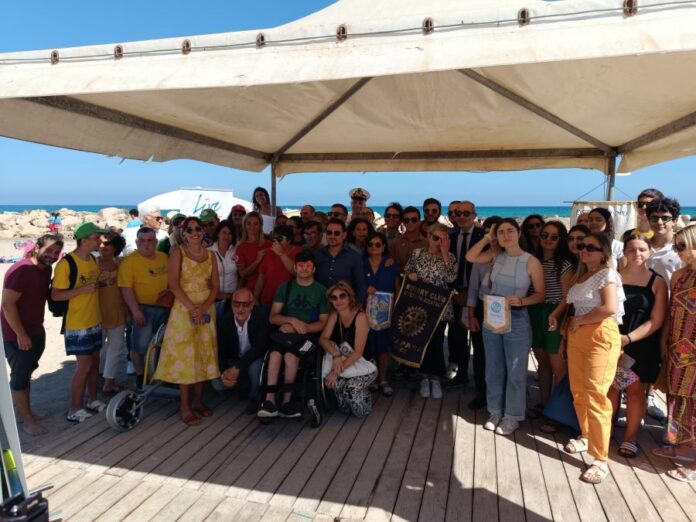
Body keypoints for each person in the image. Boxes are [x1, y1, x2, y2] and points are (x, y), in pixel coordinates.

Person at [466, 218, 545, 435]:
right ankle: (495, 411)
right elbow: (470, 256)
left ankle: (512, 416)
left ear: (519, 233)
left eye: (510, 231)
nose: (506, 235)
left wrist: (522, 301)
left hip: (517, 317)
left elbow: (540, 294)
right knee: (493, 367)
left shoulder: (531, 261)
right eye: (501, 232)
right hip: (493, 316)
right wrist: (486, 237)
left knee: (515, 370)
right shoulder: (495, 256)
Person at [563, 232, 625, 484]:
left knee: (597, 394)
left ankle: (600, 458)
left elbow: (609, 308)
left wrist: (579, 320)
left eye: (591, 247)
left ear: (604, 253)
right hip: (578, 334)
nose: (584, 250)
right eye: (581, 246)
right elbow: (575, 305)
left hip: (600, 334)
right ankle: (587, 436)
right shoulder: (580, 276)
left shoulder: (607, 274)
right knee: (578, 390)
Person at [153, 217, 220, 426]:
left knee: (203, 354)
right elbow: (173, 285)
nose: (194, 232)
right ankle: (185, 406)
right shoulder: (178, 253)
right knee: (186, 358)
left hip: (205, 308)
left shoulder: (211, 256)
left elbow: (215, 287)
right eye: (189, 229)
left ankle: (198, 401)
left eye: (198, 228)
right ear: (183, 233)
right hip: (184, 309)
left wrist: (203, 307)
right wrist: (193, 309)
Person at [607, 234, 667, 458]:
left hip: (641, 343)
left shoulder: (657, 281)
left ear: (649, 251)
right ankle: (605, 431)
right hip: (612, 340)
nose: (636, 254)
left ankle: (630, 437)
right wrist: (615, 340)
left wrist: (628, 339)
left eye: (641, 249)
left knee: (635, 390)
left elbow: (657, 320)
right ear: (624, 252)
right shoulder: (613, 276)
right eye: (631, 249)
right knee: (610, 388)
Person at [2, 234, 64, 435]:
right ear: (37, 247)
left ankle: (24, 413)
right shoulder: (21, 270)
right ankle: (27, 422)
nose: (53, 256)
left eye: (56, 252)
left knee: (27, 371)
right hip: (17, 333)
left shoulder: (45, 270)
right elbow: (7, 304)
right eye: (49, 251)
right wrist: (21, 334)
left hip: (36, 328)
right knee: (19, 377)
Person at [259, 251, 329, 418]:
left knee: (291, 357)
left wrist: (300, 327)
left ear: (314, 269)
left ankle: (287, 402)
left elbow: (322, 322)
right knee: (275, 355)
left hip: (309, 337)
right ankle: (269, 401)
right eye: (300, 265)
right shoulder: (286, 286)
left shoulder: (321, 291)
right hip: (285, 333)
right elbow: (273, 316)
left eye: (308, 265)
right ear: (295, 268)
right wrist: (292, 321)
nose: (304, 269)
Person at [52, 222, 108, 422]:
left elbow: (90, 284)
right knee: (83, 367)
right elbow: (56, 295)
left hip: (95, 320)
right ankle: (74, 409)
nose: (100, 242)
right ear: (84, 240)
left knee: (94, 364)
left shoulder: (93, 260)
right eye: (96, 238)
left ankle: (92, 400)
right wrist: (83, 290)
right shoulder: (67, 263)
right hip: (77, 324)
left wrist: (102, 283)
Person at [652, 224, 696, 482]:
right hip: (678, 346)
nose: (678, 252)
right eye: (675, 247)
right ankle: (682, 445)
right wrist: (663, 343)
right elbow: (670, 312)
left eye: (682, 246)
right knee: (677, 396)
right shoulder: (678, 275)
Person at [405, 223, 457, 399]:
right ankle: (425, 378)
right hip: (420, 306)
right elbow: (407, 271)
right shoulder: (417, 254)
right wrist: (410, 275)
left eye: (443, 239)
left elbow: (451, 278)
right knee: (422, 341)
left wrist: (444, 253)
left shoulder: (450, 257)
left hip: (440, 308)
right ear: (428, 236)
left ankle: (436, 378)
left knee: (436, 342)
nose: (438, 242)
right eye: (435, 238)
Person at [644, 197, 684, 420]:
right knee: (644, 358)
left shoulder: (680, 248)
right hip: (644, 312)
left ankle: (673, 419)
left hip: (673, 314)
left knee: (668, 361)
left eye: (665, 218)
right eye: (654, 218)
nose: (659, 222)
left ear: (674, 220)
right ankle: (644, 397)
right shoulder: (642, 246)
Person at [529, 221, 573, 415]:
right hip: (535, 312)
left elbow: (567, 296)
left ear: (560, 240)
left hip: (555, 313)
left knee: (558, 366)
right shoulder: (534, 260)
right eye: (544, 235)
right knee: (542, 362)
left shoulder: (563, 264)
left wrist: (555, 315)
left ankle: (559, 411)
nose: (548, 239)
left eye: (554, 237)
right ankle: (545, 404)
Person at [118, 227, 170, 390]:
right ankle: (141, 377)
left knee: (161, 345)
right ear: (136, 242)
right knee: (139, 348)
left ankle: (159, 376)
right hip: (143, 309)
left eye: (150, 240)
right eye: (142, 241)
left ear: (156, 242)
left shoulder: (163, 257)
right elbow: (126, 288)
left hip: (164, 308)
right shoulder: (129, 262)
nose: (146, 244)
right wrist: (135, 311)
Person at [320, 281, 377, 417]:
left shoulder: (360, 317)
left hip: (365, 364)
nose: (338, 300)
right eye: (334, 298)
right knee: (341, 399)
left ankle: (366, 394)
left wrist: (335, 372)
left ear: (350, 297)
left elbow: (358, 353)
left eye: (342, 296)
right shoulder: (335, 315)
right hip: (344, 361)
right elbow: (322, 339)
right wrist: (336, 354)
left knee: (351, 394)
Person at [446, 200, 484, 388]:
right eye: (457, 213)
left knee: (479, 341)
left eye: (465, 213)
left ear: (474, 215)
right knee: (457, 338)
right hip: (455, 294)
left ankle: (480, 381)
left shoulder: (483, 237)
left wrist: (470, 292)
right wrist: (455, 292)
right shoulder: (450, 237)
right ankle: (461, 374)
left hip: (478, 296)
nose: (461, 216)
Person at [466, 216, 503, 410]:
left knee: (501, 355)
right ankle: (482, 393)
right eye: (490, 232)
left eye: (498, 232)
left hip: (506, 308)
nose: (494, 236)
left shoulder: (514, 256)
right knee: (480, 353)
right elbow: (473, 288)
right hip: (483, 306)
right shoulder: (482, 257)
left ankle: (501, 394)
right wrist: (471, 315)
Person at [216, 288, 269, 414]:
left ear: (252, 305)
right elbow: (221, 350)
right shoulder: (225, 320)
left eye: (245, 304)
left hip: (253, 358)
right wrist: (225, 372)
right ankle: (241, 386)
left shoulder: (261, 317)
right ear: (232, 304)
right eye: (236, 304)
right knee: (217, 384)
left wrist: (237, 368)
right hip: (234, 359)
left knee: (255, 368)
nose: (240, 309)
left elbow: (259, 348)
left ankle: (254, 398)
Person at [364, 231, 400, 396]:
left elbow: (397, 289)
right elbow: (355, 285)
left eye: (378, 244)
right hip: (365, 313)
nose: (374, 247)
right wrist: (365, 290)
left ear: (384, 247)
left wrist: (396, 310)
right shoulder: (361, 264)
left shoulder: (391, 265)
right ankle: (370, 379)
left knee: (383, 348)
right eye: (370, 244)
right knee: (367, 347)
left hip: (386, 313)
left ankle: (383, 380)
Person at [97, 233, 128, 396]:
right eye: (100, 243)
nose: (102, 247)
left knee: (116, 347)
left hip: (117, 310)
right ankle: (98, 377)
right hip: (95, 312)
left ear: (115, 246)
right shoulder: (92, 263)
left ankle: (109, 381)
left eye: (106, 244)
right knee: (98, 348)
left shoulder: (122, 263)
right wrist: (102, 283)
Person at [314, 219, 367, 303]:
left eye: (337, 233)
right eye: (329, 233)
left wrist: (357, 307)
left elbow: (360, 286)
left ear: (344, 235)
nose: (332, 236)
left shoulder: (354, 257)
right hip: (320, 305)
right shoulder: (317, 255)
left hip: (345, 306)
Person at [254, 225, 302, 308]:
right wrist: (255, 298)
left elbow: (297, 272)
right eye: (274, 239)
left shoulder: (298, 251)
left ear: (289, 240)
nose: (276, 242)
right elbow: (261, 276)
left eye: (279, 239)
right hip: (268, 300)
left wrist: (281, 254)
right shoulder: (269, 252)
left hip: (289, 302)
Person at [209, 220, 239, 318]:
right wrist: (218, 294)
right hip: (213, 299)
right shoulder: (208, 252)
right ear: (218, 233)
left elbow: (242, 274)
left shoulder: (236, 251)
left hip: (233, 300)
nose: (227, 236)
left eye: (230, 233)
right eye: (224, 233)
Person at [236, 211, 272, 293]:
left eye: (256, 224)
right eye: (249, 223)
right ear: (244, 226)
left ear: (260, 226)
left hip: (269, 289)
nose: (252, 227)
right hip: (250, 291)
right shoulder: (241, 248)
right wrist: (257, 261)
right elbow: (242, 274)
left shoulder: (270, 245)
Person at [390, 206, 428, 272]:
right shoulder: (394, 244)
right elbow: (391, 267)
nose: (410, 222)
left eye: (413, 220)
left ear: (419, 222)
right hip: (401, 280)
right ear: (403, 223)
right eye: (406, 220)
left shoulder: (427, 243)